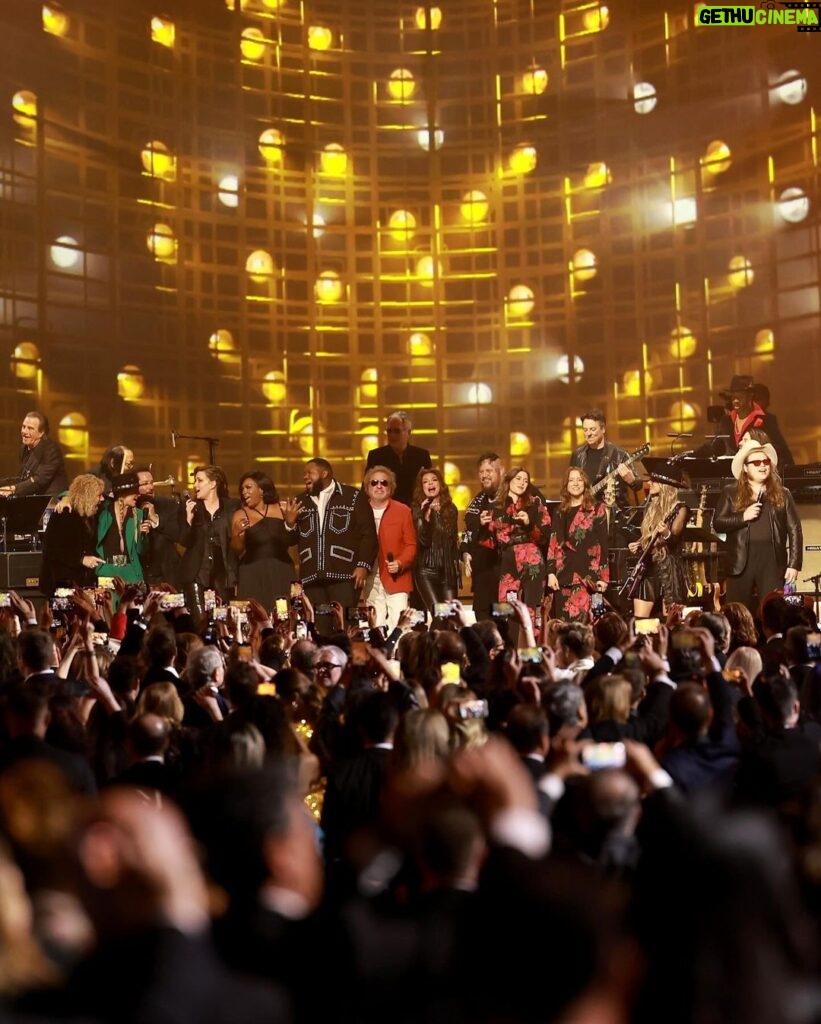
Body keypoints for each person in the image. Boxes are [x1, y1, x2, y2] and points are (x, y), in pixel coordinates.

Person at [713, 437, 802, 615]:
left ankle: (772, 642)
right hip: (740, 560)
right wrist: (742, 517)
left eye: (766, 461)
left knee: (773, 611)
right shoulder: (731, 492)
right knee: (737, 614)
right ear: (745, 468)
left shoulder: (783, 494)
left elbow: (795, 530)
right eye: (756, 462)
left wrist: (794, 564)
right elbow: (718, 523)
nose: (763, 466)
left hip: (772, 560)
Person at [289, 458, 378, 617]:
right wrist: (289, 523)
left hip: (344, 576)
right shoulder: (300, 501)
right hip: (312, 578)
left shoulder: (353, 496)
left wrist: (363, 565)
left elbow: (368, 534)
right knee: (320, 626)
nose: (305, 477)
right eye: (304, 474)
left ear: (324, 473)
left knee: (344, 625)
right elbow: (290, 540)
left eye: (310, 472)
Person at [484, 466, 552, 620]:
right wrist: (482, 526)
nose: (522, 483)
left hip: (532, 559)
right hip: (507, 560)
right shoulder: (496, 506)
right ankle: (512, 643)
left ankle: (533, 643)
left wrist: (528, 523)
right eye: (518, 479)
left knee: (533, 608)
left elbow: (545, 537)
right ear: (509, 481)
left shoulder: (534, 504)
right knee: (506, 610)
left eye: (526, 480)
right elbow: (490, 542)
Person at [626, 458, 690, 617]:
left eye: (654, 480)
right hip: (648, 569)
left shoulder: (680, 509)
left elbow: (674, 538)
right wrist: (639, 545)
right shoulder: (650, 507)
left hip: (669, 569)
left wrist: (666, 532)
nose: (649, 483)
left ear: (665, 485)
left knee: (672, 620)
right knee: (640, 620)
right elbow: (649, 539)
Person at [546, 466, 609, 622]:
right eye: (571, 480)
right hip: (564, 576)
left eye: (579, 480)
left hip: (590, 578)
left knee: (593, 622)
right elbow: (553, 543)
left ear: (585, 483)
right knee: (564, 627)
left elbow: (603, 544)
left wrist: (603, 578)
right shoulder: (559, 511)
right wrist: (551, 572)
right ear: (566, 485)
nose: (575, 483)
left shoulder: (597, 508)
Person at [360, 465, 417, 630]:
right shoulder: (360, 510)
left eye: (384, 483)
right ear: (367, 487)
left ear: (391, 487)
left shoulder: (403, 511)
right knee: (375, 624)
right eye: (374, 482)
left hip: (396, 577)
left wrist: (400, 563)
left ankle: (398, 655)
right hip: (370, 576)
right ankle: (379, 655)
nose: (379, 486)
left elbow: (411, 544)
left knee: (399, 623)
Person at [180, 465, 240, 616]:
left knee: (223, 619)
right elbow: (185, 541)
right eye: (195, 481)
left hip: (223, 574)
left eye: (200, 481)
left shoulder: (231, 507)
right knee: (199, 620)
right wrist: (188, 519)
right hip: (197, 574)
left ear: (213, 483)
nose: (195, 485)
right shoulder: (191, 507)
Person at [230, 471, 295, 610]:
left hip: (281, 570)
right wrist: (236, 534)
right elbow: (237, 550)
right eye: (242, 489)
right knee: (255, 615)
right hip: (252, 572)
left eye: (248, 487)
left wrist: (290, 522)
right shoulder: (241, 514)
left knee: (283, 613)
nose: (244, 492)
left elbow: (292, 540)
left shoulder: (282, 508)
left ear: (261, 489)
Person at [39, 473, 106, 595]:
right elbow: (52, 550)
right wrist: (81, 559)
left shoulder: (91, 515)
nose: (102, 499)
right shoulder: (64, 514)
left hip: (81, 583)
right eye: (99, 495)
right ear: (88, 496)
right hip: (61, 583)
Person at [569, 408, 643, 517]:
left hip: (613, 514)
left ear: (603, 429)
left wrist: (631, 480)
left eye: (592, 429)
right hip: (584, 514)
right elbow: (569, 484)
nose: (588, 434)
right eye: (585, 430)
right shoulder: (578, 455)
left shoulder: (620, 454)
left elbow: (638, 485)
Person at [713, 375, 794, 468]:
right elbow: (714, 446)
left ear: (750, 396)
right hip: (730, 477)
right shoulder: (726, 421)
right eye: (733, 397)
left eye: (739, 397)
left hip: (758, 478)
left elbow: (781, 454)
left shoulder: (766, 420)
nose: (735, 400)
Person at [460, 452, 505, 621]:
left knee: (503, 625)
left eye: (489, 470)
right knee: (483, 624)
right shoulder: (477, 501)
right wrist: (465, 553)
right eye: (481, 471)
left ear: (501, 471)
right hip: (482, 577)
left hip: (504, 576)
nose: (484, 475)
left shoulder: (512, 497)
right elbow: (467, 531)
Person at [411, 467, 460, 615]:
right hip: (426, 571)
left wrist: (438, 514)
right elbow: (423, 540)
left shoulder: (451, 509)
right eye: (425, 482)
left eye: (434, 480)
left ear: (440, 484)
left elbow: (451, 538)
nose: (430, 484)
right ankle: (431, 638)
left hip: (447, 572)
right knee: (439, 614)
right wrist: (425, 517)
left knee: (450, 617)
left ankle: (440, 638)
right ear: (422, 487)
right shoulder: (417, 511)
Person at [365, 410, 432, 507]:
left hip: (415, 512)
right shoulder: (376, 456)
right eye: (389, 431)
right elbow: (366, 489)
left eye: (397, 431)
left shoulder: (421, 456)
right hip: (385, 510)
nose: (392, 435)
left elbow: (429, 487)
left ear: (408, 433)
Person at [0, 411, 67, 497]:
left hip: (52, 502)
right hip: (34, 499)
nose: (24, 431)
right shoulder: (24, 449)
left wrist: (11, 490)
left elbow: (39, 480)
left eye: (30, 428)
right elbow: (23, 479)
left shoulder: (51, 450)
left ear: (41, 432)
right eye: (23, 427)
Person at [135, 466, 183, 588]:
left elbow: (178, 534)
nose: (150, 487)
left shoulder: (167, 504)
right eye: (145, 484)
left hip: (166, 576)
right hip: (139, 575)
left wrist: (156, 520)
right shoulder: (128, 508)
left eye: (151, 483)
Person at [95, 471, 145, 585]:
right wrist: (65, 498)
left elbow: (142, 551)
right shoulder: (103, 513)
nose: (138, 495)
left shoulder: (139, 515)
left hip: (131, 573)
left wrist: (143, 536)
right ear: (123, 493)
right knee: (109, 603)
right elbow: (83, 498)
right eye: (134, 492)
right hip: (107, 572)